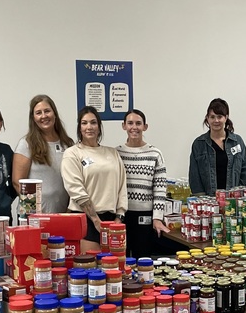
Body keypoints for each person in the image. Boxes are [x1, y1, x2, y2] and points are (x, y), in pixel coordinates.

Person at [61, 106, 127, 252]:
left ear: (99, 126)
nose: (89, 127)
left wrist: (119, 217)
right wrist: (96, 221)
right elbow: (76, 189)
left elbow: (122, 186)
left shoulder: (112, 153)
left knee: (114, 269)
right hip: (86, 219)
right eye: (84, 123)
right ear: (79, 127)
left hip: (112, 220)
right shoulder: (72, 153)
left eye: (93, 122)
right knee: (92, 270)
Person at [116, 109, 171, 258]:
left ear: (145, 127)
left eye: (138, 123)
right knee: (122, 260)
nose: (134, 127)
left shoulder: (155, 154)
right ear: (124, 126)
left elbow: (160, 188)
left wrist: (157, 218)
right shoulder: (116, 154)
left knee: (143, 260)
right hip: (122, 216)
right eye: (130, 123)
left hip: (145, 216)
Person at [13, 95, 74, 213]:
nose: (44, 116)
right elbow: (17, 182)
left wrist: (70, 210)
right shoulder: (26, 144)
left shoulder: (67, 143)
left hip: (62, 213)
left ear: (54, 113)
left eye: (47, 111)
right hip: (34, 215)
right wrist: (33, 212)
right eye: (38, 113)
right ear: (33, 118)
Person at [189, 98, 246, 195]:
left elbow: (245, 172)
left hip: (233, 200)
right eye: (212, 117)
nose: (216, 120)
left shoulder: (237, 142)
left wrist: (241, 196)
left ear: (226, 117)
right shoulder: (199, 144)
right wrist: (202, 201)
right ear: (207, 119)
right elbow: (194, 177)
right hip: (208, 202)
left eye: (219, 116)